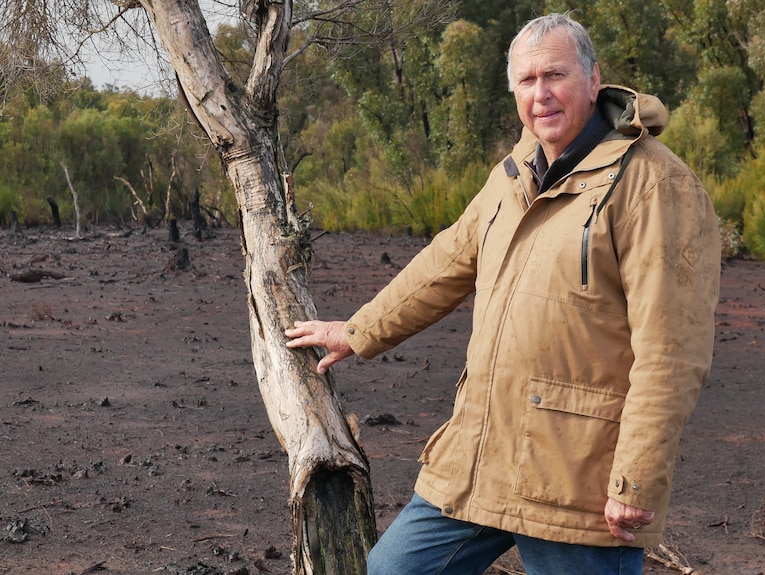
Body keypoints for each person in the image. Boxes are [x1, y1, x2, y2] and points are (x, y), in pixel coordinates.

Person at [286, 12, 720, 575]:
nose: (541, 94)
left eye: (555, 76)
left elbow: (672, 349)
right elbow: (445, 263)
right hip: (480, 459)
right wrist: (359, 330)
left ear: (593, 81)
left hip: (575, 476)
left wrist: (636, 478)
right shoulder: (513, 172)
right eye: (527, 80)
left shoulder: (656, 184)